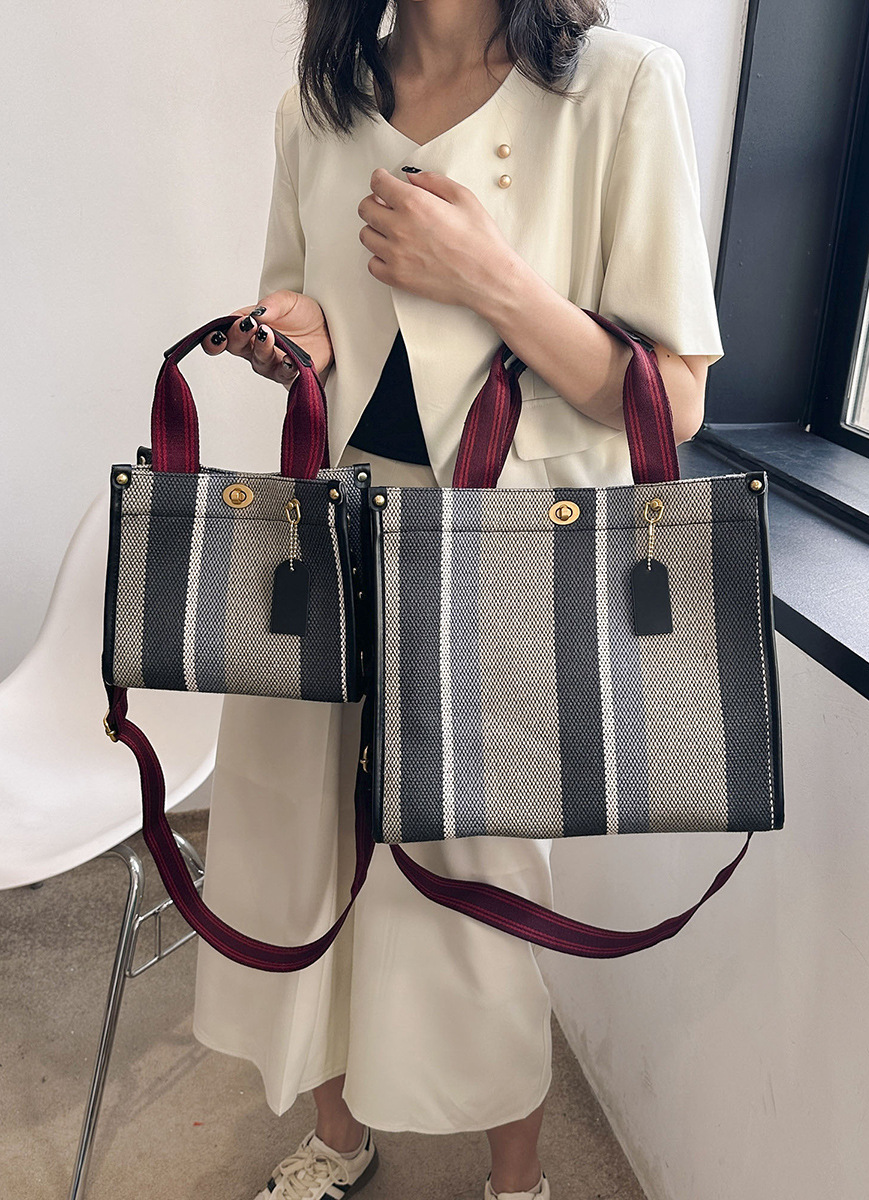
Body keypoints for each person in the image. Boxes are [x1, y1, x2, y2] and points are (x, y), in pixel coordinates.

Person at [194, 3, 725, 1199]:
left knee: (483, 886)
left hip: (500, 552)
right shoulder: (320, 103)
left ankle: (516, 1179)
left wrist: (492, 281)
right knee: (304, 853)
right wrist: (294, 341)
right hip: (329, 535)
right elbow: (312, 314)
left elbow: (675, 397)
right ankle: (338, 1140)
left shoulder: (618, 88)